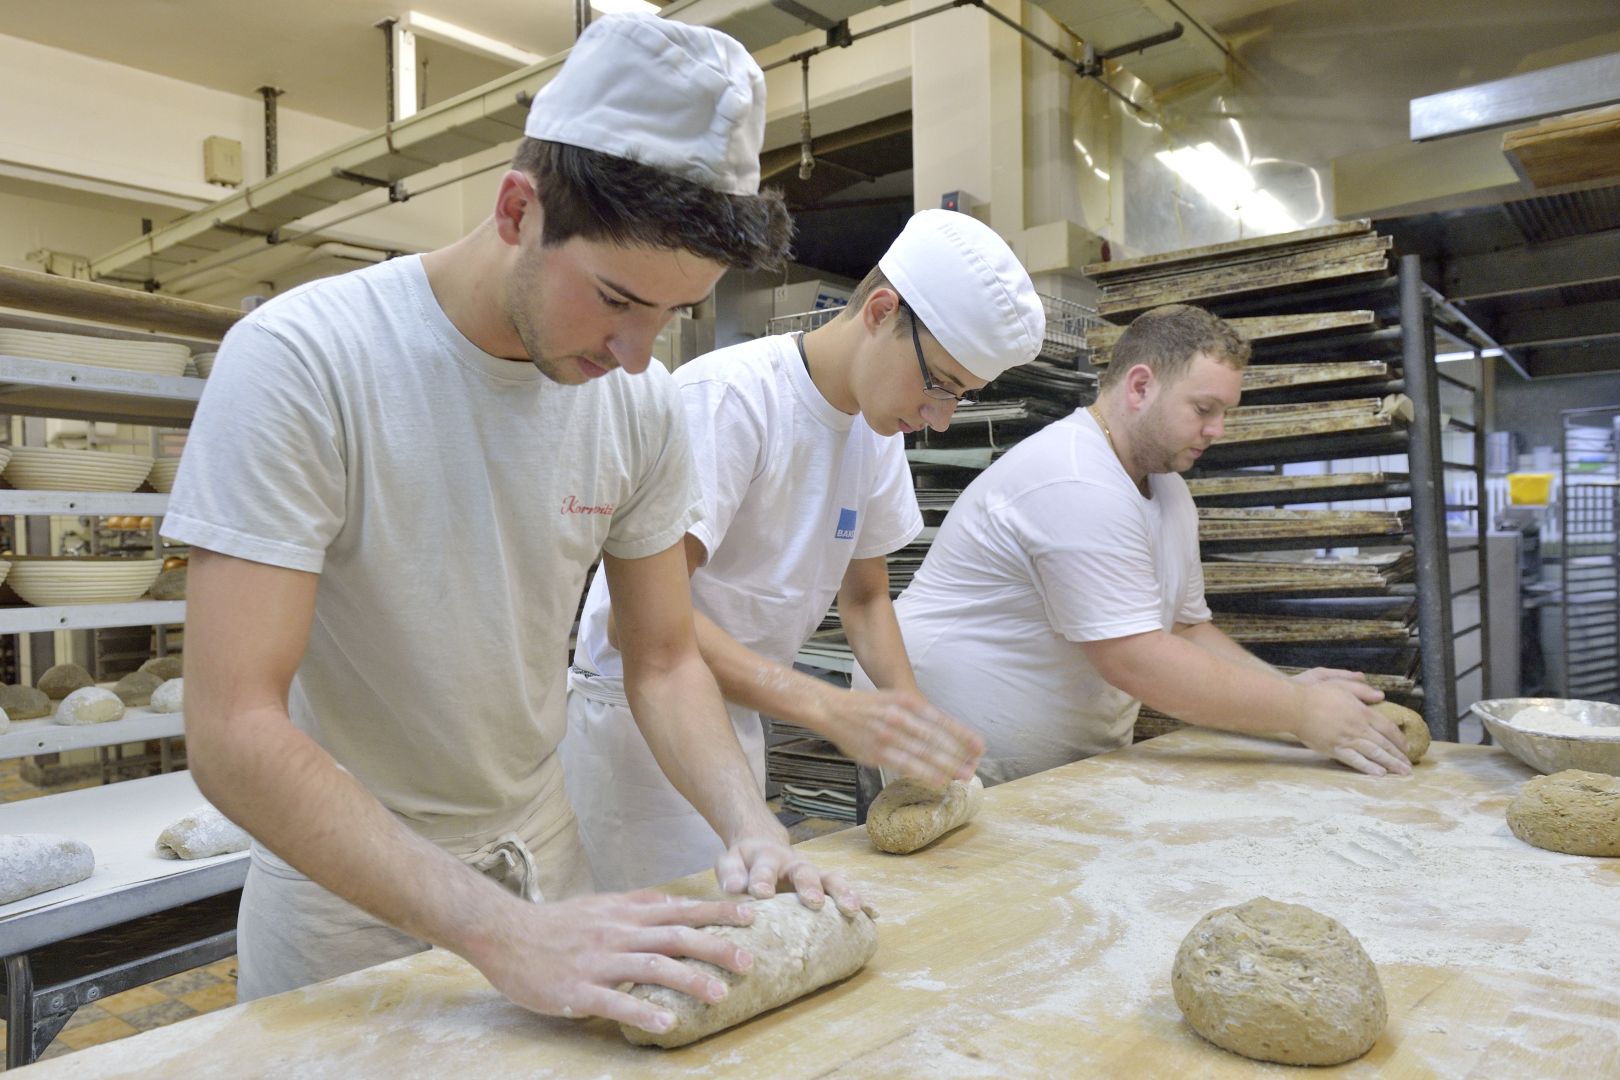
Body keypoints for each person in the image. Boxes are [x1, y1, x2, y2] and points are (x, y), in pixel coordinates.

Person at [164, 14, 860, 1039]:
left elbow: (663, 661)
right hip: (349, 908)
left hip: (545, 872)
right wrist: (494, 931)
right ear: (516, 209)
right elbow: (232, 728)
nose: (634, 352)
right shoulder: (306, 360)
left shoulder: (642, 406)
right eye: (617, 300)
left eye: (669, 317)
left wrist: (748, 824)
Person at [562, 209, 1045, 890]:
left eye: (959, 398)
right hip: (638, 729)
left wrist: (910, 722)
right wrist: (825, 707)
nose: (937, 418)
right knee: (682, 946)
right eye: (939, 383)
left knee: (748, 920)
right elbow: (637, 622)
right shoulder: (731, 401)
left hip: (741, 712)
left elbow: (868, 598)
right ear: (882, 311)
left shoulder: (874, 430)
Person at [861, 303, 1411, 784]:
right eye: (1204, 409)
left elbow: (1186, 630)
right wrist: (1297, 711)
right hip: (955, 749)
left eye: (1225, 413)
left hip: (1057, 767)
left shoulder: (1168, 491)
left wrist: (1287, 690)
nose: (1217, 430)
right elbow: (1134, 659)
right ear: (1141, 385)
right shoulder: (1074, 477)